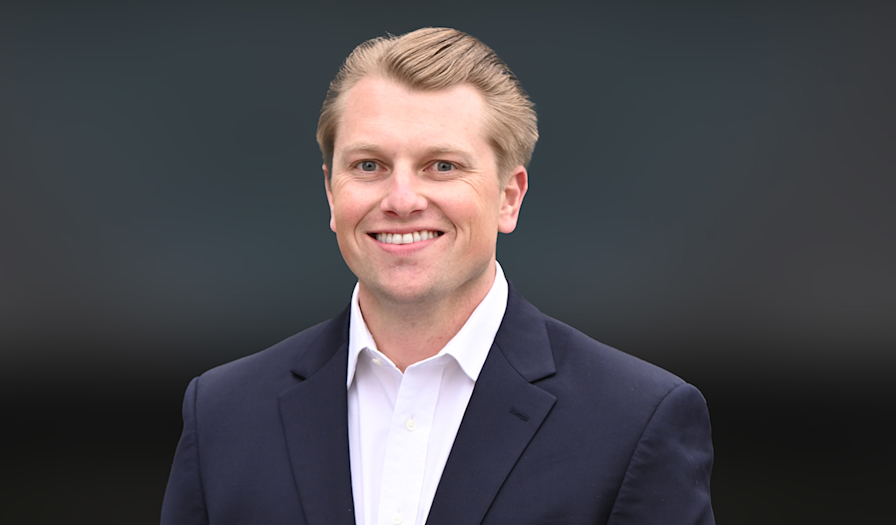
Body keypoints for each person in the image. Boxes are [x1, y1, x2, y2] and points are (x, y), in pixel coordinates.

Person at [161, 27, 714, 525]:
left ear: (509, 197)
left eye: (442, 166)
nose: (402, 200)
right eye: (369, 166)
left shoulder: (637, 421)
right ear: (332, 194)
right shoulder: (222, 415)